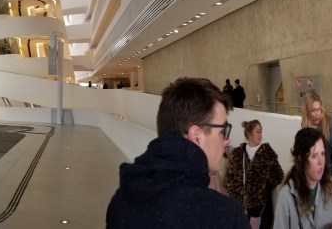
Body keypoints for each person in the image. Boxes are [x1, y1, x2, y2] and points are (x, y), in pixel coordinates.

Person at [106, 78, 250, 228]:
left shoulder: (119, 201)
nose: (227, 141)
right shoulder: (226, 216)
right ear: (196, 135)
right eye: (222, 131)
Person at [274, 127, 332, 229]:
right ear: (301, 159)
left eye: (322, 154)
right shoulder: (286, 197)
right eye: (314, 156)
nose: (321, 162)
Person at [225, 120, 284, 229]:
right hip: (240, 209)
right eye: (258, 132)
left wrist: (264, 185)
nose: (260, 135)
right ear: (249, 134)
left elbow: (279, 175)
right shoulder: (238, 153)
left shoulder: (267, 152)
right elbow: (230, 177)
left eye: (261, 132)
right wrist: (236, 195)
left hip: (261, 209)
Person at [301, 91, 332, 167]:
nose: (317, 114)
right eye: (313, 110)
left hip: (329, 173)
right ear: (306, 112)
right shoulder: (304, 125)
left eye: (319, 109)